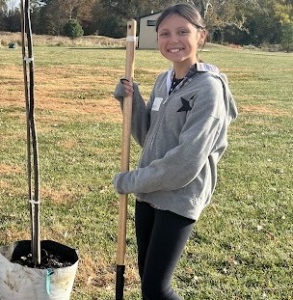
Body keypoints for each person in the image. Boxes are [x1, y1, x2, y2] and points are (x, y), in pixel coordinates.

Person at [112, 3, 238, 299]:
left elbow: (185, 162)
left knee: (157, 289)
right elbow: (149, 137)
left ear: (201, 37)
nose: (173, 40)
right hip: (150, 193)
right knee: (148, 282)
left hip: (180, 196)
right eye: (165, 34)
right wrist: (130, 101)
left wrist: (131, 180)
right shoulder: (163, 82)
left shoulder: (208, 89)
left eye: (183, 32)